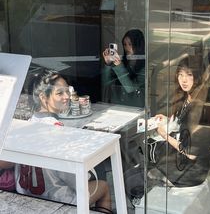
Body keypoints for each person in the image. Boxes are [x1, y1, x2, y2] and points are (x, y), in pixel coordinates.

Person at [15, 69, 112, 213]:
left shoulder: (28, 124)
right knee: (103, 186)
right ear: (43, 97)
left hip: (26, 192)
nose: (66, 96)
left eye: (67, 91)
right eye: (59, 93)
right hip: (57, 197)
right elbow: (72, 178)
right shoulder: (57, 131)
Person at [149, 54, 210, 187]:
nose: (184, 80)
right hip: (182, 161)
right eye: (180, 74)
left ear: (198, 76)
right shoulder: (187, 97)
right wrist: (167, 120)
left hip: (193, 170)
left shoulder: (199, 106)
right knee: (147, 162)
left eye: (189, 74)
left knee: (145, 174)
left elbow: (191, 153)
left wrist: (164, 135)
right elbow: (184, 125)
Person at [102, 28, 145, 108]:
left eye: (130, 44)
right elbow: (106, 82)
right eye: (125, 44)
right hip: (116, 105)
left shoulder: (144, 66)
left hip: (135, 107)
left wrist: (119, 65)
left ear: (138, 45)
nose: (127, 48)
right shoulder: (121, 62)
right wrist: (108, 64)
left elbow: (130, 88)